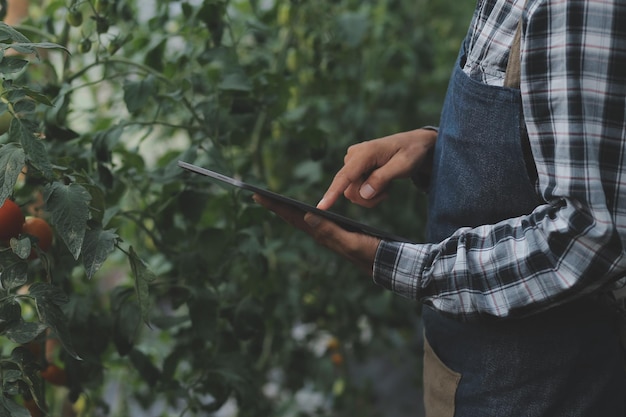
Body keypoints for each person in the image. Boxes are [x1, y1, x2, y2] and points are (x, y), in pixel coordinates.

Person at [254, 0, 626, 415]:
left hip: (539, 384)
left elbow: (593, 236)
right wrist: (441, 149)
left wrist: (407, 267)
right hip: (473, 363)